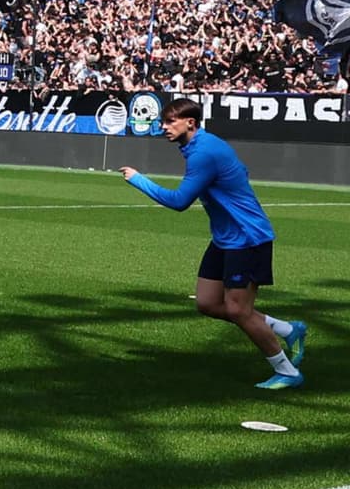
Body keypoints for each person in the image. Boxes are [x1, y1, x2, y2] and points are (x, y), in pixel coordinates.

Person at [121, 97, 307, 389]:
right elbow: (241, 172)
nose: (164, 127)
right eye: (164, 122)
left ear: (190, 123)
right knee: (207, 303)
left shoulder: (203, 153)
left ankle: (288, 372)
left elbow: (180, 201)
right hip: (225, 238)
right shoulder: (202, 145)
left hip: (247, 238)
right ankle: (287, 328)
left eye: (170, 122)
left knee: (238, 310)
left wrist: (138, 180)